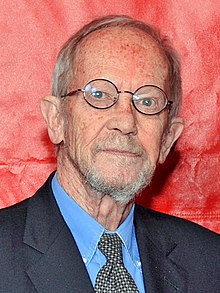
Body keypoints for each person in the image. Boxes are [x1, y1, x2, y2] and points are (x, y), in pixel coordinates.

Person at [0, 15, 219, 293]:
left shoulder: (211, 264)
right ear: (57, 120)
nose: (126, 122)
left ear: (167, 139)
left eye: (147, 101)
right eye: (100, 95)